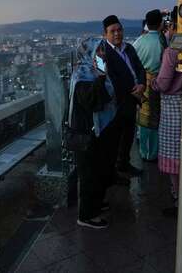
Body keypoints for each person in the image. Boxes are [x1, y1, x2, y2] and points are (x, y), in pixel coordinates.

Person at [68, 37, 118, 229]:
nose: (102, 54)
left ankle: (96, 204)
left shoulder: (92, 72)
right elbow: (89, 102)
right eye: (98, 51)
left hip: (96, 131)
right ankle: (87, 215)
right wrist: (101, 78)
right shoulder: (82, 75)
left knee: (97, 170)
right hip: (86, 132)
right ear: (88, 53)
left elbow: (104, 99)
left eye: (103, 50)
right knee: (89, 173)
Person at [150, 13, 182, 216]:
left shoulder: (172, 51)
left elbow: (163, 83)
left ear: (174, 25)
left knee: (175, 158)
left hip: (173, 106)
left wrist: (153, 83)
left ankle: (180, 201)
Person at [100, 15, 146, 179]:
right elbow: (108, 79)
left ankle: (124, 164)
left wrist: (141, 84)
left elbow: (140, 68)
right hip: (117, 103)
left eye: (119, 30)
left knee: (128, 135)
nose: (117, 34)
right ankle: (112, 173)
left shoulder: (129, 48)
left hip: (133, 99)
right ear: (105, 34)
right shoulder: (103, 54)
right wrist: (132, 91)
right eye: (112, 31)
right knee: (115, 139)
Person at [133, 9, 166, 162]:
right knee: (155, 117)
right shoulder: (161, 40)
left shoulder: (140, 40)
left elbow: (132, 59)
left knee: (143, 117)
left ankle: (143, 151)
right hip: (158, 82)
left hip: (141, 82)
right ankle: (153, 152)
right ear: (161, 23)